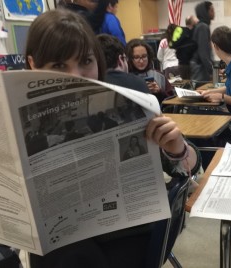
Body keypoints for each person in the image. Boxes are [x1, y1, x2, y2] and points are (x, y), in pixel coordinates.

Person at [24, 9, 201, 267]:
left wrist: (176, 148)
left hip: (123, 235)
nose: (77, 76)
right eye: (59, 65)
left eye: (86, 61)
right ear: (32, 64)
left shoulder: (122, 99)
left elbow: (190, 164)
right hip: (59, 236)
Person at [126, 38, 174, 103]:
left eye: (144, 56)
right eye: (136, 57)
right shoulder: (125, 77)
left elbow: (171, 100)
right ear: (130, 58)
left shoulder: (159, 75)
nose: (141, 61)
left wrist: (159, 92)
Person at [191, 1, 215, 85]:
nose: (214, 12)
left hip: (202, 66)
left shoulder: (203, 25)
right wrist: (212, 71)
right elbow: (203, 53)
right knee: (201, 92)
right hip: (200, 67)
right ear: (205, 12)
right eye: (211, 10)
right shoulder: (202, 27)